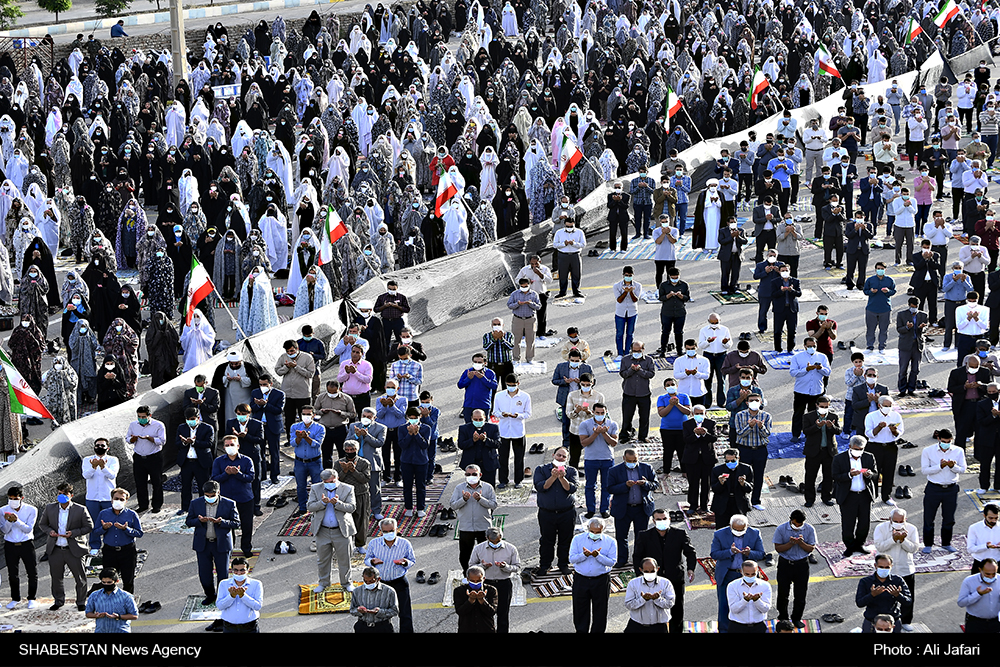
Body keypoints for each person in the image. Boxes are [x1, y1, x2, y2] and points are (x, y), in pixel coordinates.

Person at [631, 508, 696, 634]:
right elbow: (637, 556)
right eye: (659, 519)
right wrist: (640, 574)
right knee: (653, 609)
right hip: (653, 579)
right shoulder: (644, 536)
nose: (662, 521)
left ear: (669, 519)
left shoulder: (680, 534)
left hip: (675, 577)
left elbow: (690, 552)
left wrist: (691, 569)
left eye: (664, 519)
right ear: (653, 521)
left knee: (677, 610)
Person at [186, 480, 240, 629]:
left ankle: (222, 599)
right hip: (203, 544)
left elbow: (236, 523)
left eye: (212, 495)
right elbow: (188, 521)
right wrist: (198, 520)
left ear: (218, 493)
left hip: (221, 544)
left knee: (223, 574)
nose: (209, 497)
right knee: (204, 573)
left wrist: (222, 522)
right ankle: (210, 595)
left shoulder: (229, 504)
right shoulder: (196, 503)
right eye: (206, 495)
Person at [38, 482, 93, 611]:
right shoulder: (50, 508)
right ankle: (58, 601)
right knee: (56, 578)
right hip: (56, 549)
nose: (61, 496)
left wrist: (73, 533)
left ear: (71, 495)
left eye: (64, 494)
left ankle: (80, 601)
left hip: (74, 549)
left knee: (80, 578)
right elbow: (43, 524)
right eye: (59, 494)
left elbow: (89, 526)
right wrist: (49, 532)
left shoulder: (80, 509)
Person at [710, 514, 765, 633]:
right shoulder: (719, 534)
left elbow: (761, 554)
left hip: (747, 576)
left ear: (747, 526)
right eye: (736, 530)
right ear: (730, 526)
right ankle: (724, 630)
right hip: (727, 574)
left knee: (747, 604)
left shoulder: (754, 533)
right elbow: (714, 554)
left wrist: (750, 553)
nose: (739, 532)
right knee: (725, 605)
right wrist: (730, 552)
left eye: (742, 530)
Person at [309, 468, 357, 593]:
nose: (329, 483)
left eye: (331, 481)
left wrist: (338, 503)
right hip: (323, 531)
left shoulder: (347, 488)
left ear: (337, 479)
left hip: (341, 530)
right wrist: (322, 503)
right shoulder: (315, 488)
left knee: (344, 559)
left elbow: (352, 507)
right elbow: (310, 506)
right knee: (323, 560)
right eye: (326, 481)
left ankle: (346, 583)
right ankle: (323, 583)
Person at [364, 517, 416, 633]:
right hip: (381, 584)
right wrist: (372, 562)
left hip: (399, 581)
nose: (389, 534)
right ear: (381, 531)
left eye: (391, 531)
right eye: (385, 531)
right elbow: (367, 559)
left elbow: (412, 560)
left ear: (397, 529)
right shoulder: (374, 543)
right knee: (380, 612)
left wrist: (405, 562)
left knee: (405, 612)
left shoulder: (405, 544)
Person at [608, 448, 658, 567]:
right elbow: (610, 488)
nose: (632, 462)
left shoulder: (647, 468)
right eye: (630, 460)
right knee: (621, 536)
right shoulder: (614, 471)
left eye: (635, 460)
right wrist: (624, 485)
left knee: (640, 537)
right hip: (623, 508)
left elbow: (655, 485)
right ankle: (622, 559)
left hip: (641, 508)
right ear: (624, 458)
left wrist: (645, 484)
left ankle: (638, 559)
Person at [873, 508, 919, 631]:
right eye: (895, 521)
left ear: (905, 520)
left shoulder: (912, 529)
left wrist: (903, 540)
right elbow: (880, 547)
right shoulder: (881, 528)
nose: (898, 523)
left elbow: (914, 548)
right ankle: (883, 623)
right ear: (890, 519)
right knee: (884, 597)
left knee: (907, 597)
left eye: (901, 521)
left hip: (905, 569)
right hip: (887, 571)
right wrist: (893, 539)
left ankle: (906, 621)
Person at [534, 447, 578, 576]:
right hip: (547, 513)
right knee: (547, 541)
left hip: (567, 512)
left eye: (564, 457)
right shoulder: (541, 469)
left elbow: (571, 489)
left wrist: (562, 478)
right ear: (553, 455)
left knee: (565, 540)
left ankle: (563, 564)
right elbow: (541, 487)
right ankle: (545, 565)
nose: (561, 458)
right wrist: (553, 477)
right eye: (559, 455)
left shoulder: (571, 471)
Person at [569, 516, 617, 633]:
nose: (594, 534)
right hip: (581, 579)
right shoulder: (578, 539)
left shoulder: (610, 542)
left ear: (603, 530)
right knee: (580, 609)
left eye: (598, 532)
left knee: (600, 610)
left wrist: (598, 556)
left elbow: (612, 562)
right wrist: (584, 555)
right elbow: (572, 559)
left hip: (601, 580)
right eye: (592, 531)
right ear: (587, 529)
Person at [921, 429, 966, 553]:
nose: (946, 444)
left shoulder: (958, 451)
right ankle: (928, 544)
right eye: (944, 441)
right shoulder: (928, 451)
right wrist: (939, 467)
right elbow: (924, 470)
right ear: (938, 439)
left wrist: (953, 467)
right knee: (929, 518)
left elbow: (962, 469)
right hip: (933, 488)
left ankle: (946, 543)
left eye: (949, 442)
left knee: (949, 518)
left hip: (951, 489)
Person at [469, 527, 521, 634]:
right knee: (485, 612)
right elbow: (471, 566)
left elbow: (517, 567)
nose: (495, 544)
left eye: (497, 541)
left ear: (501, 537)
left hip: (504, 584)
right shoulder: (479, 548)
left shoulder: (511, 549)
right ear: (486, 538)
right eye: (492, 542)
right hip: (486, 584)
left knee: (503, 613)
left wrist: (505, 567)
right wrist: (482, 566)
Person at [834, 435, 878, 556]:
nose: (858, 451)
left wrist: (869, 474)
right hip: (848, 496)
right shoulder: (839, 458)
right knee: (848, 523)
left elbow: (875, 473)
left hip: (864, 495)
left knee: (864, 523)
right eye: (856, 449)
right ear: (849, 447)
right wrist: (849, 475)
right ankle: (849, 546)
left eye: (861, 449)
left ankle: (860, 544)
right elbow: (835, 476)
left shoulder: (869, 457)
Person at [92, 488, 142, 594]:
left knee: (128, 579)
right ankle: (109, 602)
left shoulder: (132, 515)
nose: (118, 501)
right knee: (108, 580)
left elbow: (139, 533)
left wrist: (126, 529)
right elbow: (95, 532)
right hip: (110, 551)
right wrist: (104, 528)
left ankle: (127, 603)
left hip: (127, 551)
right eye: (116, 498)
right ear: (111, 500)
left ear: (126, 501)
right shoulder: (103, 514)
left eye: (122, 499)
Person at [212, 434, 255, 556]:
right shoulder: (219, 461)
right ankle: (229, 549)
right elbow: (214, 478)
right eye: (227, 445)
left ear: (238, 446)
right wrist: (226, 474)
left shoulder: (246, 460)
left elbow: (251, 477)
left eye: (232, 445)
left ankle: (246, 548)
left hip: (245, 498)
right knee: (227, 526)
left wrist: (238, 473)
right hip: (226, 499)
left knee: (246, 525)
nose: (229, 447)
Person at [772, 510, 816, 629]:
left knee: (800, 594)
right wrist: (791, 544)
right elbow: (778, 548)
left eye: (800, 524)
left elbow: (810, 548)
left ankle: (796, 618)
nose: (797, 527)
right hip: (785, 564)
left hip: (801, 565)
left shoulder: (809, 529)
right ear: (791, 519)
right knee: (783, 593)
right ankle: (783, 617)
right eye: (795, 524)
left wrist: (801, 543)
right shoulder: (781, 529)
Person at [450, 464, 498, 571]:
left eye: (474, 474)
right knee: (465, 555)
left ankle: (484, 574)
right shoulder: (459, 488)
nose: (471, 476)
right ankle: (467, 574)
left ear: (480, 475)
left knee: (486, 554)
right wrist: (463, 499)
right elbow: (453, 505)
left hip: (483, 526)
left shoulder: (488, 487)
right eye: (468, 474)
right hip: (466, 527)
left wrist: (481, 499)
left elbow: (494, 505)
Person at [578, 403, 619, 518]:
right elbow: (584, 443)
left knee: (606, 485)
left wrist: (604, 433)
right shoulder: (585, 424)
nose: (600, 415)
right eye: (597, 413)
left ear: (606, 412)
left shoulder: (612, 424)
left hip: (607, 459)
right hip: (591, 459)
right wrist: (596, 434)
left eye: (602, 413)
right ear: (593, 412)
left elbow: (613, 443)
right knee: (590, 485)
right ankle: (590, 509)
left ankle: (604, 509)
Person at [1, 486, 38, 609]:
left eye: (15, 498)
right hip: (10, 545)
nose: (12, 501)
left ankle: (31, 598)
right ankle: (15, 598)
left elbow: (28, 529)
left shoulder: (31, 510)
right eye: (10, 498)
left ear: (21, 498)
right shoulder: (3, 510)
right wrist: (8, 521)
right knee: (12, 573)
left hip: (26, 544)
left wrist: (16, 520)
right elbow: (4, 531)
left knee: (31, 572)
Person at [733, 394, 771, 510]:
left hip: (760, 449)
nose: (754, 402)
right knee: (742, 475)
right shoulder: (740, 415)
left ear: (761, 403)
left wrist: (761, 427)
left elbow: (767, 434)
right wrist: (749, 426)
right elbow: (740, 433)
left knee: (758, 475)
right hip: (744, 449)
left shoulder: (766, 416)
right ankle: (741, 500)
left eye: (756, 400)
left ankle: (755, 500)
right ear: (747, 403)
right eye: (751, 400)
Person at [492, 374, 531, 489]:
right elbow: (495, 412)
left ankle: (518, 480)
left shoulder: (525, 396)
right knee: (503, 457)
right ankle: (503, 480)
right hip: (503, 431)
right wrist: (502, 414)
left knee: (519, 457)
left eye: (513, 385)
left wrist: (517, 415)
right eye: (509, 385)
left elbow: (528, 414)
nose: (511, 387)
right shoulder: (499, 396)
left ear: (518, 384)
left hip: (518, 431)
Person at [789, 337, 831, 441]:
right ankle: (796, 434)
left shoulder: (822, 357)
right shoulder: (797, 357)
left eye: (814, 346)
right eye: (809, 346)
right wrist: (806, 369)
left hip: (816, 391)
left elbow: (828, 372)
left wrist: (821, 368)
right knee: (798, 413)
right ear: (804, 346)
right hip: (801, 390)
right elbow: (793, 372)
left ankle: (811, 434)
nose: (811, 348)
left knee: (813, 414)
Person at [176, 406, 216, 515]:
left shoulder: (207, 428)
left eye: (193, 418)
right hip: (187, 462)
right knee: (185, 486)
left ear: (198, 418)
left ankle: (203, 508)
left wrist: (193, 442)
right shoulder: (182, 428)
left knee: (203, 486)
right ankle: (185, 507)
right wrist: (184, 442)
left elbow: (209, 443)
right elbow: (177, 443)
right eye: (188, 419)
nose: (190, 421)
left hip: (201, 462)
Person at [856, 554, 912, 632]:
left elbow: (908, 602)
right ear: (875, 566)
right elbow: (859, 603)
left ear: (891, 566)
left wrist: (898, 595)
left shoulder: (897, 580)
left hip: (892, 621)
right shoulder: (865, 582)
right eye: (881, 567)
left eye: (887, 567)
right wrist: (872, 595)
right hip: (871, 621)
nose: (884, 569)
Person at [126, 405, 166, 513]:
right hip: (139, 457)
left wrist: (149, 438)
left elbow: (162, 441)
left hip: (154, 457)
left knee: (156, 481)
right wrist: (133, 439)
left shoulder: (158, 425)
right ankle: (143, 504)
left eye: (143, 416)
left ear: (149, 416)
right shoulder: (133, 425)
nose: (141, 419)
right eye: (139, 416)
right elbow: (128, 439)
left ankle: (157, 505)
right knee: (140, 482)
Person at [865, 396, 904, 506]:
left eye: (890, 406)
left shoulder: (896, 416)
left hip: (890, 447)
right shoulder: (871, 416)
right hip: (875, 447)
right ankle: (872, 496)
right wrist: (879, 427)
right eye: (886, 406)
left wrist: (894, 431)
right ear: (879, 405)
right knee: (873, 473)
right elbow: (869, 434)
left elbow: (899, 433)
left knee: (889, 472)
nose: (888, 408)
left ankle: (886, 496)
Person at [802, 396, 841, 507]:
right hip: (813, 451)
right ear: (817, 405)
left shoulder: (833, 416)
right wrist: (817, 426)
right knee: (810, 476)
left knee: (828, 476)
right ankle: (809, 499)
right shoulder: (808, 416)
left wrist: (831, 427)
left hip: (829, 451)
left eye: (826, 407)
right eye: (822, 406)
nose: (824, 408)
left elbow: (838, 431)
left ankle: (826, 497)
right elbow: (806, 431)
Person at [552, 349, 593, 453]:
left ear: (581, 360)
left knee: (583, 420)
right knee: (566, 422)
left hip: (582, 398)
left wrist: (582, 382)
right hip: (567, 399)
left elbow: (593, 381)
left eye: (577, 360)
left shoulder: (587, 368)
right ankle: (566, 443)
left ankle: (582, 442)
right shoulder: (561, 367)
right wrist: (564, 381)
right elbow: (554, 380)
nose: (574, 362)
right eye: (572, 360)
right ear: (569, 359)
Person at [82, 438, 118, 555]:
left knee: (110, 521)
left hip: (108, 496)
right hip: (92, 497)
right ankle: (94, 545)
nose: (99, 447)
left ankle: (111, 543)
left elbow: (112, 475)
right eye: (97, 445)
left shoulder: (113, 460)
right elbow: (86, 475)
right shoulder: (87, 460)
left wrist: (103, 467)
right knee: (94, 522)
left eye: (102, 446)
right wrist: (93, 467)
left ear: (107, 448)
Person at [348, 408, 386, 520]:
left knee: (374, 488)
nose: (366, 418)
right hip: (356, 462)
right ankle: (359, 510)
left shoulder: (381, 428)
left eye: (369, 417)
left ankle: (376, 510)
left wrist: (366, 435)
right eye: (364, 416)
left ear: (374, 418)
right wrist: (356, 436)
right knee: (355, 487)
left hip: (372, 463)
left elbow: (379, 443)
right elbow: (347, 442)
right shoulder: (353, 426)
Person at [275, 340, 316, 443]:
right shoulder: (283, 357)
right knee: (289, 419)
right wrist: (287, 367)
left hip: (303, 394)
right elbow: (278, 371)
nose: (290, 353)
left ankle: (307, 439)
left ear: (297, 349)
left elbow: (310, 374)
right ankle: (291, 439)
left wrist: (296, 367)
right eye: (288, 352)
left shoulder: (307, 357)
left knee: (305, 418)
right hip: (288, 394)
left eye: (292, 351)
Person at [624, 557, 676, 633]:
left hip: (659, 627)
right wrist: (642, 599)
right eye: (646, 571)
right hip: (637, 626)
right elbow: (629, 605)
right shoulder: (633, 584)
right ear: (641, 570)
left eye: (652, 571)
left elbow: (670, 603)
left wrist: (658, 599)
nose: (649, 574)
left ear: (657, 569)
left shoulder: (666, 583)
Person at [290, 405, 325, 517]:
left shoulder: (320, 428)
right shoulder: (295, 427)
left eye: (308, 414)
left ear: (313, 415)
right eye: (304, 414)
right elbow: (293, 443)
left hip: (315, 461)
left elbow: (317, 444)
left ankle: (318, 509)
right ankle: (302, 508)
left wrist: (306, 437)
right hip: (300, 462)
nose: (306, 416)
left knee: (318, 486)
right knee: (301, 486)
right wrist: (299, 437)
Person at [950, 355, 990, 449]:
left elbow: (989, 387)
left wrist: (981, 385)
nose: (974, 369)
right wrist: (964, 387)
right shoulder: (956, 373)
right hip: (964, 405)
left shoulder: (984, 372)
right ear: (967, 364)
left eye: (976, 366)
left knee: (980, 431)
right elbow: (951, 388)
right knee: (961, 432)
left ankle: (979, 455)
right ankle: (959, 454)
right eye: (972, 367)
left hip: (979, 404)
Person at [398, 406, 432, 516]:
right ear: (407, 417)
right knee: (407, 485)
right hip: (406, 461)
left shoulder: (426, 428)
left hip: (421, 461)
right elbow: (402, 445)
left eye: (415, 417)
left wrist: (417, 434)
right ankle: (408, 507)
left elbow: (425, 445)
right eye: (411, 417)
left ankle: (420, 508)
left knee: (420, 485)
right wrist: (409, 434)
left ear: (420, 416)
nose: (413, 419)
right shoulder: (402, 428)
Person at [251, 374, 285, 485]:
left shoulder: (279, 394)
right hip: (259, 426)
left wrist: (266, 405)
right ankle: (262, 475)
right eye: (260, 384)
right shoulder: (255, 393)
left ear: (270, 384)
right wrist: (259, 405)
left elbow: (279, 410)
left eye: (265, 384)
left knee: (274, 452)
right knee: (260, 452)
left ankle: (275, 475)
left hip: (273, 426)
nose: (262, 387)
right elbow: (252, 408)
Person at [315, 380, 358, 468]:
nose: (331, 394)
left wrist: (341, 413)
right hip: (325, 429)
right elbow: (314, 411)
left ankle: (343, 473)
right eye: (329, 392)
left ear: (339, 389)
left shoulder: (346, 398)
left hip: (340, 429)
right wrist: (321, 412)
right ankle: (328, 475)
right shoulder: (321, 397)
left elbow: (353, 414)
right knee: (326, 454)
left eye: (334, 392)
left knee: (343, 454)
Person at [619, 341, 655, 443]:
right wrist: (631, 370)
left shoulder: (648, 360)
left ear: (643, 350)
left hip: (644, 393)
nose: (636, 353)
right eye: (634, 351)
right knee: (627, 416)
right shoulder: (625, 360)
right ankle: (626, 435)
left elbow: (651, 374)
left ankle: (643, 436)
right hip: (629, 393)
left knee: (644, 417)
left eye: (639, 351)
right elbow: (623, 374)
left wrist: (640, 370)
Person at [215, 556, 263, 633]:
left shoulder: (256, 584)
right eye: (236, 570)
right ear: (232, 570)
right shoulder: (224, 584)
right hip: (229, 627)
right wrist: (231, 596)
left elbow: (257, 606)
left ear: (248, 570)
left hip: (249, 627)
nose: (239, 573)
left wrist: (243, 596)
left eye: (242, 570)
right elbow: (220, 606)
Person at [85, 568, 139, 633]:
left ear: (117, 581)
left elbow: (134, 615)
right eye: (103, 582)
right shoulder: (94, 595)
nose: (106, 584)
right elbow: (88, 613)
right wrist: (96, 615)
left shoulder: (126, 597)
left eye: (109, 582)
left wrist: (119, 616)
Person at [726, 559, 772, 633]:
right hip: (737, 627)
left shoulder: (765, 586)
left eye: (753, 574)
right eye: (747, 574)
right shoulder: (733, 586)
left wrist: (757, 600)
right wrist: (745, 600)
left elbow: (765, 609)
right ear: (742, 572)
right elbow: (734, 609)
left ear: (757, 572)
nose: (750, 576)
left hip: (758, 627)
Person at [350, 566, 399, 632]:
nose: (368, 584)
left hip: (382, 627)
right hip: (363, 626)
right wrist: (359, 611)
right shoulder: (357, 591)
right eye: (365, 581)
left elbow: (394, 611)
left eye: (371, 581)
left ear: (378, 579)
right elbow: (352, 610)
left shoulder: (389, 591)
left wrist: (379, 612)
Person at [957, 557, 1000, 633]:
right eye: (987, 574)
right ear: (980, 570)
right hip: (975, 622)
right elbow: (961, 603)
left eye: (994, 574)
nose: (991, 577)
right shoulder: (969, 581)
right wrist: (978, 594)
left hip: (996, 622)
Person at [515, 256, 553, 340]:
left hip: (541, 294)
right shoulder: (525, 269)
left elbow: (550, 280)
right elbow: (517, 280)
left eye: (536, 263)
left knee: (541, 314)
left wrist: (540, 274)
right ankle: (525, 333)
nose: (534, 266)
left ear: (540, 261)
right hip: (528, 294)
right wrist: (526, 281)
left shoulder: (545, 269)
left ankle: (541, 333)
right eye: (532, 264)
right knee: (526, 314)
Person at [897, 297, 929, 396]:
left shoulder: (923, 315)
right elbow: (899, 329)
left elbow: (925, 328)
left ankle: (911, 389)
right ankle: (902, 389)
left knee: (915, 369)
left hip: (917, 345)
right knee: (903, 370)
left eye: (915, 307)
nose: (914, 309)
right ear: (909, 305)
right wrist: (907, 327)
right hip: (905, 345)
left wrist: (922, 328)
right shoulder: (901, 315)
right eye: (912, 307)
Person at [453, 565, 498, 633]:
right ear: (467, 579)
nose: (475, 583)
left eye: (478, 580)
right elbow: (460, 611)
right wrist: (470, 601)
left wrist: (482, 600)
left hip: (486, 628)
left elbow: (491, 612)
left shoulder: (491, 590)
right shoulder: (459, 591)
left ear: (484, 578)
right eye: (472, 581)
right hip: (467, 629)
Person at [863, 262, 896, 352]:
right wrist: (871, 291)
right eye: (878, 268)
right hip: (872, 308)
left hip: (885, 309)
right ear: (875, 270)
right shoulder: (870, 280)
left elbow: (893, 291)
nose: (880, 270)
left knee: (884, 329)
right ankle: (870, 346)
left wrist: (888, 291)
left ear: (885, 269)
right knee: (870, 329)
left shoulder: (889, 280)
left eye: (882, 269)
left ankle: (882, 346)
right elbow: (865, 291)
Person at [508, 277, 542, 363]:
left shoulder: (534, 294)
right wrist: (518, 304)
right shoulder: (515, 294)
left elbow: (538, 307)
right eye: (522, 286)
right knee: (516, 339)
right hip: (517, 319)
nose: (524, 288)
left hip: (530, 319)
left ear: (529, 285)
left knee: (530, 340)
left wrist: (530, 303)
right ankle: (516, 358)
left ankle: (530, 358)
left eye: (525, 286)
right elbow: (509, 305)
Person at [458, 353, 499, 424]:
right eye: (475, 362)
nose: (477, 364)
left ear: (485, 363)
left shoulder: (490, 373)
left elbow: (494, 386)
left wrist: (483, 378)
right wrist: (468, 379)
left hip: (483, 405)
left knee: (483, 428)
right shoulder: (468, 372)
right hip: (469, 405)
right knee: (468, 427)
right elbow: (460, 385)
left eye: (479, 362)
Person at [658, 267, 690, 356]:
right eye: (673, 277)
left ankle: (679, 350)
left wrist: (681, 296)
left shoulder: (684, 285)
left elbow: (687, 298)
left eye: (676, 277)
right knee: (665, 332)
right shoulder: (664, 285)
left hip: (680, 313)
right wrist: (668, 295)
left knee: (679, 332)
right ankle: (663, 350)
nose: (675, 279)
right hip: (666, 313)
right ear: (669, 276)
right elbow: (661, 298)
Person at [552, 215, 586, 297]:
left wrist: (573, 244)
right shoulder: (559, 232)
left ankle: (576, 291)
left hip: (575, 255)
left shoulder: (579, 232)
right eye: (567, 226)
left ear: (574, 224)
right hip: (563, 255)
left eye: (571, 226)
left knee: (576, 274)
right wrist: (564, 244)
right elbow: (555, 245)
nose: (569, 228)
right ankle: (562, 292)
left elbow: (583, 244)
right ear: (564, 225)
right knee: (563, 274)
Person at [770, 262, 801, 352]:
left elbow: (799, 293)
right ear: (779, 272)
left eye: (786, 270)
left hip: (792, 309)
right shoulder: (775, 282)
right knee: (777, 331)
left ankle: (790, 348)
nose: (785, 272)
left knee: (792, 330)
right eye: (783, 271)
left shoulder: (795, 281)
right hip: (779, 310)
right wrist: (781, 291)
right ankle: (778, 349)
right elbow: (773, 294)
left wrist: (792, 290)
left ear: (790, 271)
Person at [612, 267, 642, 359]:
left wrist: (631, 292)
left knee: (630, 333)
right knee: (619, 333)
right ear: (623, 275)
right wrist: (625, 292)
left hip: (632, 312)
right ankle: (620, 353)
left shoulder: (638, 285)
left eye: (630, 275)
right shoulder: (617, 286)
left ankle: (628, 351)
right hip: (620, 313)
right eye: (626, 275)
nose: (628, 277)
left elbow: (635, 300)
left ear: (633, 275)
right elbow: (619, 300)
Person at [850, 366, 889, 434]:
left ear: (877, 377)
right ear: (865, 376)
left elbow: (888, 406)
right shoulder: (857, 389)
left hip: (879, 421)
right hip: (862, 421)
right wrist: (868, 401)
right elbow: (855, 405)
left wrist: (878, 401)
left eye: (874, 375)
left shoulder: (883, 389)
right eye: (869, 375)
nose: (872, 377)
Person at [955, 292, 990, 366]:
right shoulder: (960, 309)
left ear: (977, 300)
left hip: (979, 339)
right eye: (970, 301)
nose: (972, 303)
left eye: (974, 301)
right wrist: (968, 319)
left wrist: (977, 319)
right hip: (965, 338)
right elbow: (959, 326)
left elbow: (985, 326)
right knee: (962, 362)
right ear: (967, 300)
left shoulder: (984, 309)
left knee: (980, 362)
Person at [337, 344, 374, 412]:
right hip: (347, 397)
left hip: (362, 397)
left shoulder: (367, 365)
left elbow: (368, 380)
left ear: (362, 354)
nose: (354, 354)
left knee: (363, 419)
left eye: (357, 352)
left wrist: (355, 372)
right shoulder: (344, 364)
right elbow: (339, 379)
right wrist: (347, 373)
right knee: (348, 419)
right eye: (353, 351)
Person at [374, 280, 411, 345]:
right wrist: (384, 306)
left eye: (394, 289)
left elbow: (407, 309)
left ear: (397, 288)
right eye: (390, 289)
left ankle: (401, 353)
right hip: (386, 321)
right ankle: (386, 354)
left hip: (398, 321)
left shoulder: (402, 297)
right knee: (385, 340)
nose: (392, 291)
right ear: (387, 288)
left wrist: (397, 306)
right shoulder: (382, 297)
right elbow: (375, 309)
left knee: (400, 339)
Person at [717, 217, 747, 295]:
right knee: (725, 272)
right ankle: (724, 288)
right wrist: (731, 236)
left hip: (737, 255)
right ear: (727, 223)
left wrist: (738, 236)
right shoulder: (722, 231)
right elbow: (721, 241)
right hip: (726, 256)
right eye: (731, 222)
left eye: (734, 222)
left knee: (736, 272)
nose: (733, 223)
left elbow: (745, 241)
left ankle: (734, 287)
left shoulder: (741, 231)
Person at [297, 325, 327, 400]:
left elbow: (324, 356)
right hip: (301, 371)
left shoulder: (318, 343)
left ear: (313, 333)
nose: (307, 337)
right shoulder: (298, 343)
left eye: (309, 336)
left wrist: (314, 355)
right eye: (305, 336)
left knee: (315, 393)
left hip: (315, 371)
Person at [968, 505, 1000, 573]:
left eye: (996, 518)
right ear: (984, 516)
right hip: (980, 563)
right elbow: (970, 549)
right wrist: (986, 546)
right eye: (991, 518)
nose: (994, 521)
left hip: (998, 563)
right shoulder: (974, 528)